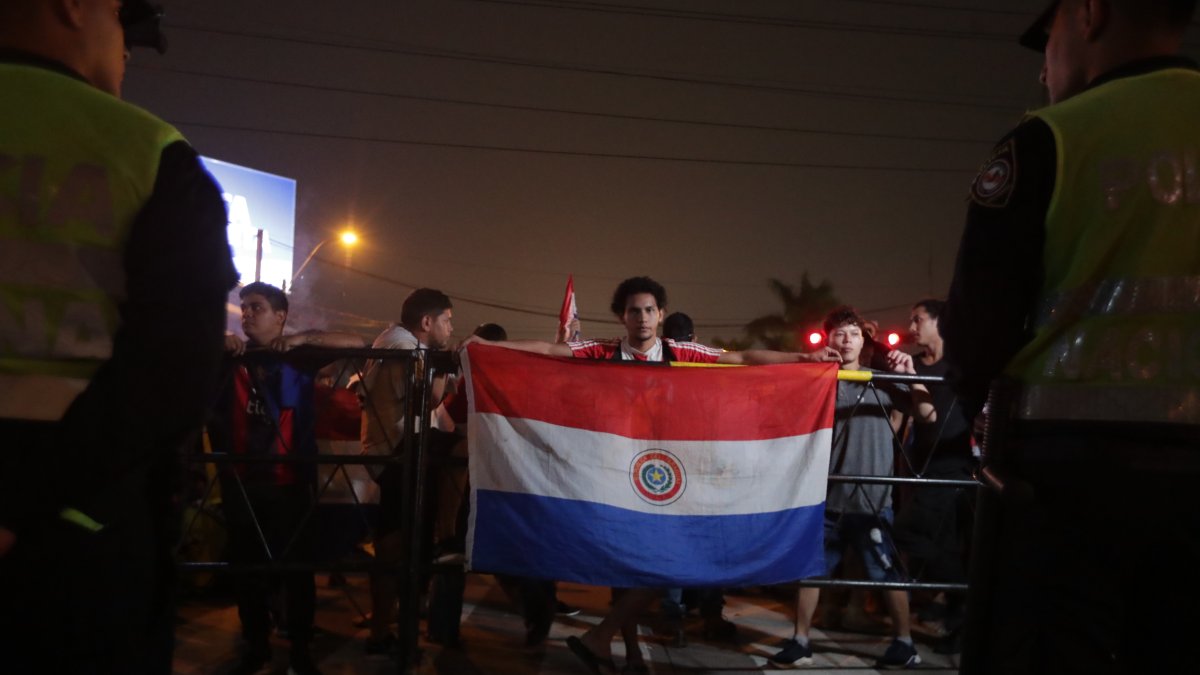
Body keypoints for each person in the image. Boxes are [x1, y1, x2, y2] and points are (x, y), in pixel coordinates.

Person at [941, 1, 1200, 672]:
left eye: (1048, 38)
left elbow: (976, 332)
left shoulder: (1050, 139)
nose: (1042, 71)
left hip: (1062, 484)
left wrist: (976, 412)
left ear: (1089, 13)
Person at [0, 1, 238, 672]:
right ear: (73, 5)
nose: (126, 54)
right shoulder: (150, 153)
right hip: (78, 534)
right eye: (119, 23)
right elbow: (175, 376)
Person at [465, 276, 841, 673]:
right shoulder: (604, 350)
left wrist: (805, 358)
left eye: (649, 310)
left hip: (665, 473)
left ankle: (602, 638)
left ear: (660, 315)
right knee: (623, 566)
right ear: (622, 317)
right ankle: (624, 653)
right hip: (614, 471)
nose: (642, 318)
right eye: (634, 311)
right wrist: (489, 347)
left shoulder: (679, 351)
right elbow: (547, 350)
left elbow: (741, 357)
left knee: (664, 564)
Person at [209, 282, 365, 675]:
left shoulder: (298, 355)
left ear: (280, 317)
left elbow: (356, 341)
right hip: (242, 482)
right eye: (244, 307)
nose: (247, 314)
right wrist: (217, 341)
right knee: (247, 570)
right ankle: (256, 646)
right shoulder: (232, 356)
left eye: (257, 307)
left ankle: (299, 650)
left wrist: (302, 338)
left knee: (296, 570)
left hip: (289, 481)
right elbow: (182, 349)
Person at [770, 306, 935, 669]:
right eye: (839, 334)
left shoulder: (883, 380)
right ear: (828, 340)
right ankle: (801, 640)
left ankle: (905, 643)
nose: (847, 340)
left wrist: (912, 375)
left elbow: (928, 415)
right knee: (811, 572)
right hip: (827, 498)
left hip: (873, 500)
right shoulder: (818, 382)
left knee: (887, 573)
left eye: (854, 334)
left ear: (864, 341)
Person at [359, 288, 460, 655]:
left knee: (399, 543)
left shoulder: (399, 342)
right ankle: (386, 631)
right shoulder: (404, 348)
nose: (451, 327)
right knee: (395, 545)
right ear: (427, 322)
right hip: (398, 456)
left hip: (399, 453)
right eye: (447, 320)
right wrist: (444, 366)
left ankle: (386, 625)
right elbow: (427, 399)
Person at [892, 299, 975, 653]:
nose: (912, 327)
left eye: (918, 320)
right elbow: (908, 411)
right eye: (911, 320)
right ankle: (957, 610)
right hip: (921, 464)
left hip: (952, 466)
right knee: (941, 546)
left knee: (907, 533)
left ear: (940, 322)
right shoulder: (912, 363)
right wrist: (898, 378)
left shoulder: (959, 364)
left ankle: (960, 600)